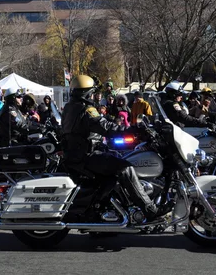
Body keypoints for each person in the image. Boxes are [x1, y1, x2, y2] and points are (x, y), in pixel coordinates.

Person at [61, 75, 158, 221]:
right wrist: (133, 129)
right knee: (125, 168)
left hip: (78, 154)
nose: (94, 96)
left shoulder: (70, 107)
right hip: (87, 156)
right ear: (86, 93)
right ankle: (149, 210)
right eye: (92, 92)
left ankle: (104, 213)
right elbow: (105, 127)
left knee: (115, 164)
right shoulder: (86, 109)